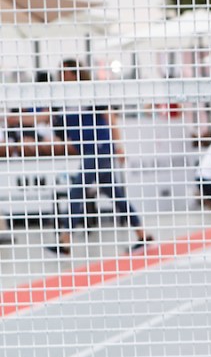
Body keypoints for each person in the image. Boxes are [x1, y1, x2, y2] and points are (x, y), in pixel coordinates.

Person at [45, 60, 152, 258]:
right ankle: (142, 234)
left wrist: (119, 146)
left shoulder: (89, 93)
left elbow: (109, 116)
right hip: (88, 150)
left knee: (77, 190)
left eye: (66, 72)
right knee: (114, 193)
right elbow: (56, 126)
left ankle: (65, 240)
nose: (62, 75)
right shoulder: (61, 101)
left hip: (99, 147)